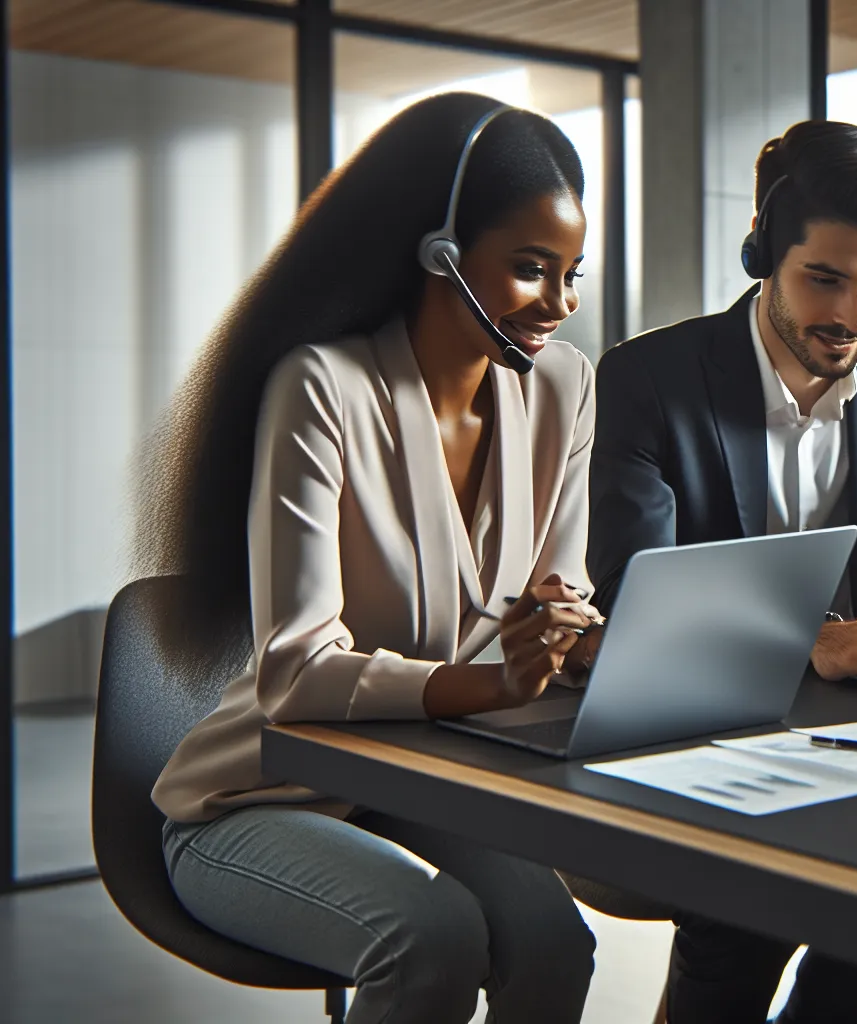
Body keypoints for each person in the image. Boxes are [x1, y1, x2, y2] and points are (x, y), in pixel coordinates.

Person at [144, 92, 601, 1024]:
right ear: (441, 252)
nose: (559, 304)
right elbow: (296, 672)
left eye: (570, 273)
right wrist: (490, 684)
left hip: (422, 780)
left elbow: (562, 591)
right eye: (528, 269)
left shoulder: (563, 387)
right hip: (258, 799)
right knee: (426, 937)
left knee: (554, 941)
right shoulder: (324, 388)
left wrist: (569, 634)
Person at [584, 121, 857, 1023]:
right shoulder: (648, 380)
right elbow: (633, 593)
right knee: (757, 902)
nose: (853, 316)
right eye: (824, 278)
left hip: (851, 744)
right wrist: (810, 638)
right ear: (764, 257)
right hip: (695, 735)